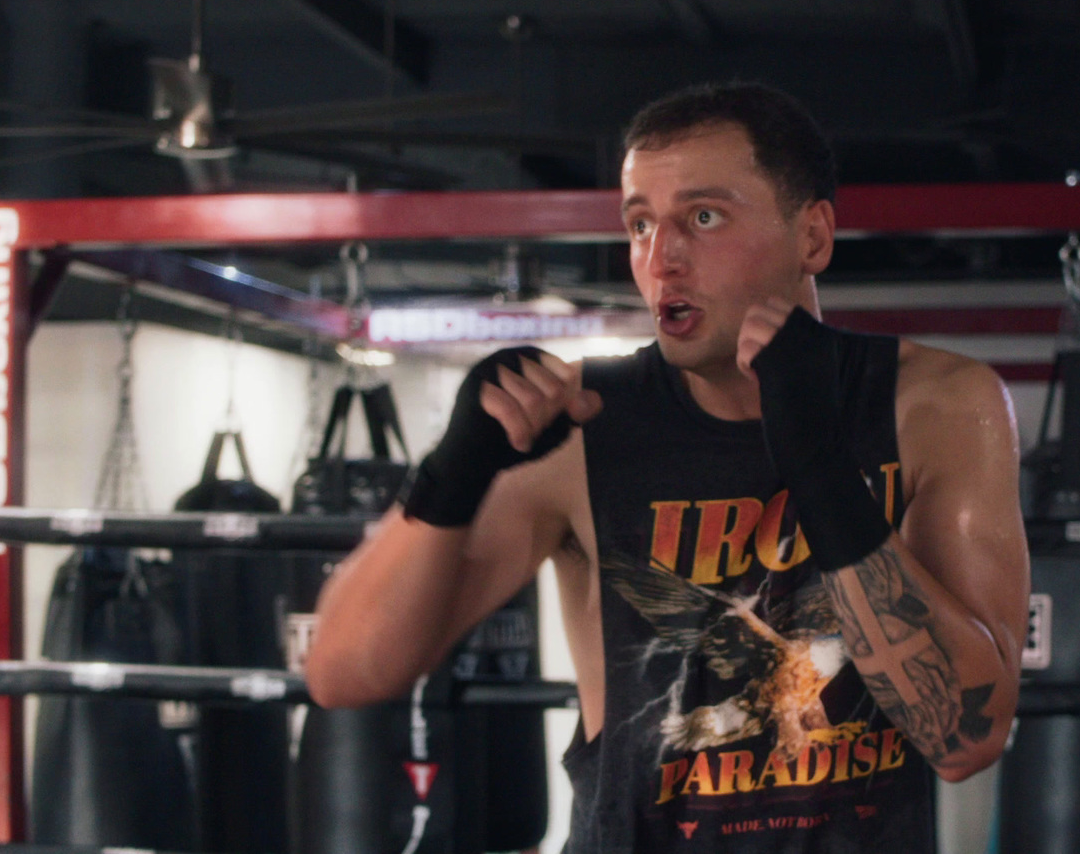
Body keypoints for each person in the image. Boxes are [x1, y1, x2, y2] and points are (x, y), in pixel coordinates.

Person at [304, 81, 1031, 852]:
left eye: (703, 217)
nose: (661, 258)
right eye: (640, 223)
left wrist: (818, 462)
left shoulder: (933, 406)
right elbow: (343, 674)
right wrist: (451, 474)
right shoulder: (583, 424)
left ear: (812, 236)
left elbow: (963, 736)